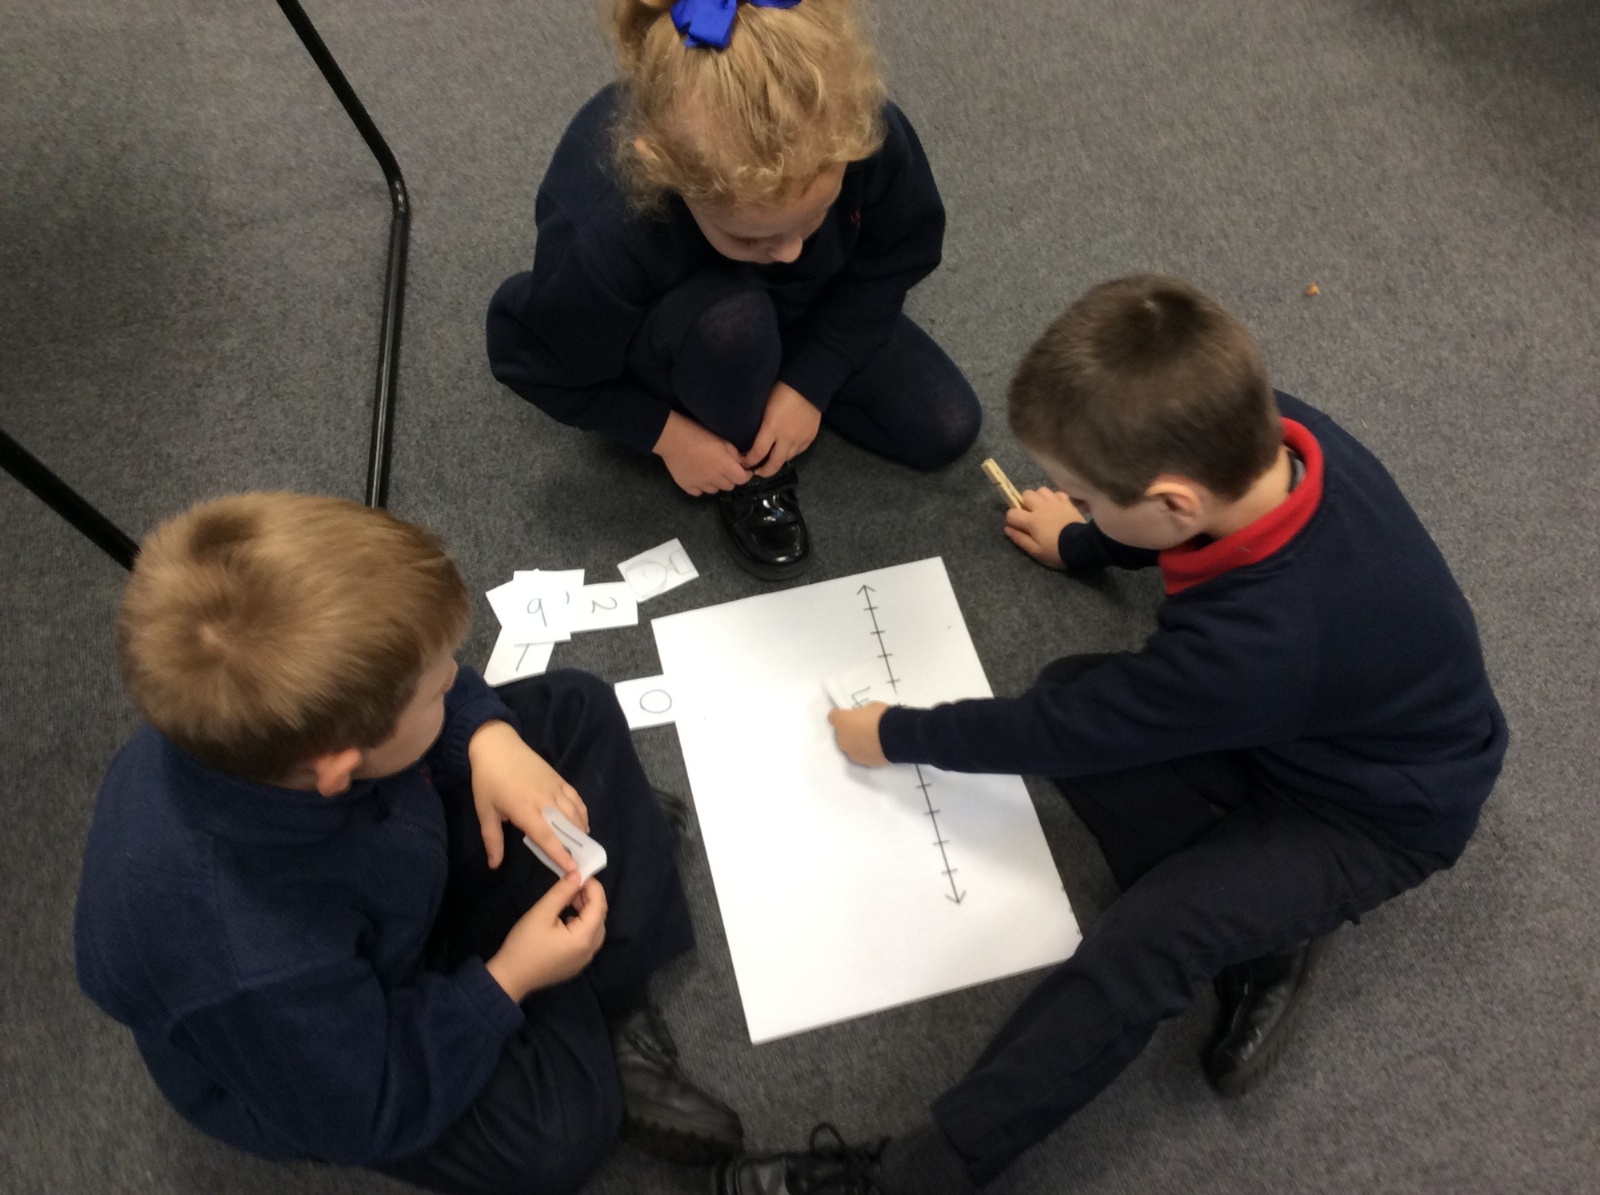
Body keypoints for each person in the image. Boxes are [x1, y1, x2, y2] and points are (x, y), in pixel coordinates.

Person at [714, 275, 1508, 1192]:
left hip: (1378, 814)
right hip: (1314, 721)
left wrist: (894, 731)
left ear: (1173, 501)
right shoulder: (1273, 432)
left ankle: (913, 1176)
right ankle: (1263, 911)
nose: (1073, 500)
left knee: (1147, 941)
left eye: (1085, 497)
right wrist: (1086, 543)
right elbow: (1160, 550)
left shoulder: (1255, 645)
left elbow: (1060, 733)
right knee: (1079, 683)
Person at [74, 493, 743, 1195]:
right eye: (434, 690)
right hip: (352, 1042)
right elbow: (364, 1106)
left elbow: (420, 698)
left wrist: (485, 736)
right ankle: (584, 970)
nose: (456, 677)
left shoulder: (275, 731)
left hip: (392, 864)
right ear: (338, 766)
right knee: (559, 1134)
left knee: (574, 706)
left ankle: (603, 982)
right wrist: (508, 978)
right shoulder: (250, 961)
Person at [487, 0, 982, 581]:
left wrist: (812, 379)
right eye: (752, 236)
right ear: (669, 177)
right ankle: (750, 459)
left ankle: (770, 362)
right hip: (697, 327)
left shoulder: (857, 130)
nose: (792, 251)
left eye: (815, 218)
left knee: (947, 427)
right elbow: (529, 361)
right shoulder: (604, 234)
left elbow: (897, 254)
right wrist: (667, 436)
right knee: (735, 329)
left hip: (808, 304)